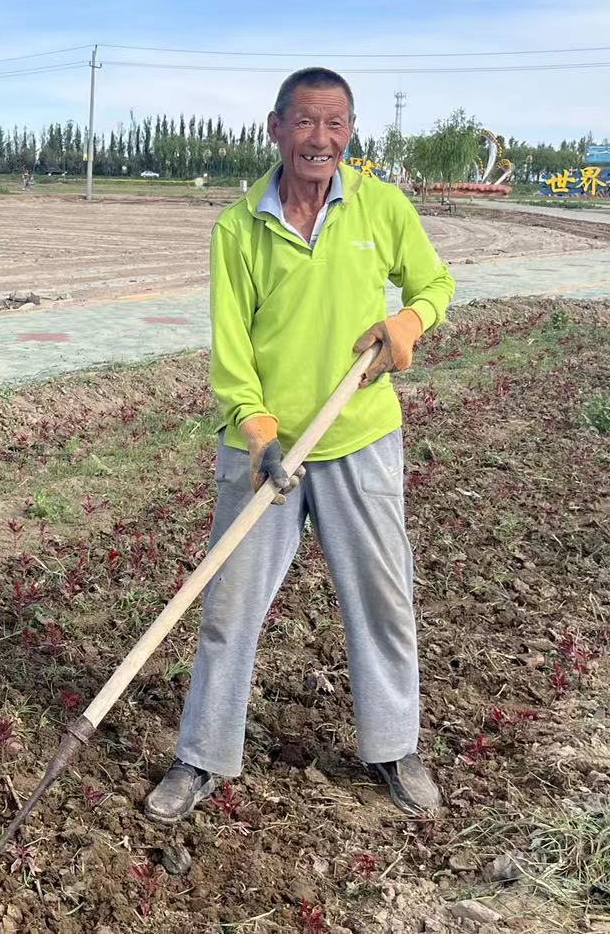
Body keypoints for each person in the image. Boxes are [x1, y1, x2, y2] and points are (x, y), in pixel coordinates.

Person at [143, 67, 455, 823]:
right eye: (306, 123)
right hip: (266, 448)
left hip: (360, 437)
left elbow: (433, 285)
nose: (321, 139)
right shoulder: (239, 226)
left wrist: (406, 327)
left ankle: (393, 747)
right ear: (275, 128)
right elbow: (232, 354)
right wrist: (255, 432)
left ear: (351, 130)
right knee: (230, 605)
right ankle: (203, 754)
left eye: (336, 123)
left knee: (381, 599)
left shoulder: (381, 207)